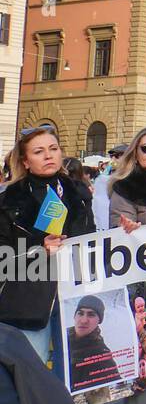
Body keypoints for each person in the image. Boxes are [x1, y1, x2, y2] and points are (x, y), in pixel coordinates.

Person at [0, 126, 95, 378]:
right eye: (39, 151)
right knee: (33, 372)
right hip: (29, 300)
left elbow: (92, 239)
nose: (48, 156)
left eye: (53, 149)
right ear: (25, 161)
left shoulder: (79, 194)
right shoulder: (9, 200)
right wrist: (38, 249)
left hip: (73, 293)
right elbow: (3, 259)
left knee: (72, 371)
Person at [66, 295, 116, 390]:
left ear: (99, 320)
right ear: (75, 316)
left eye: (91, 314)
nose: (84, 320)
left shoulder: (102, 356)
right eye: (80, 313)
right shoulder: (60, 336)